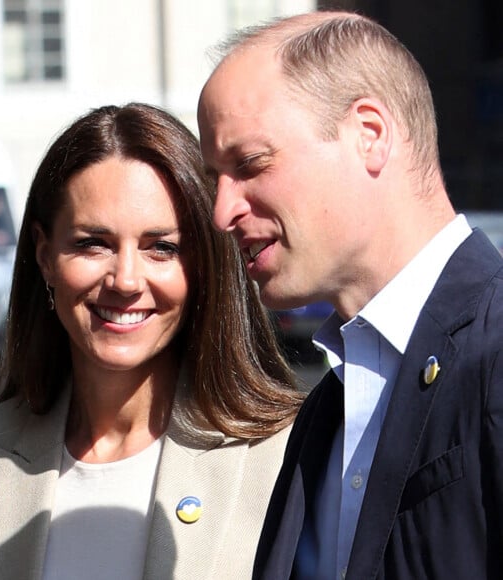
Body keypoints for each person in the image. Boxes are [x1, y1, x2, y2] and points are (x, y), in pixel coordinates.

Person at [0, 103, 305, 580]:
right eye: (93, 243)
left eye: (162, 248)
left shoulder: (283, 451)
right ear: (45, 256)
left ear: (202, 267)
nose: (126, 280)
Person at [197, 10, 503, 580]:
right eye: (216, 176)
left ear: (370, 135)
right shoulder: (325, 411)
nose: (222, 211)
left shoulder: (493, 352)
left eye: (250, 164)